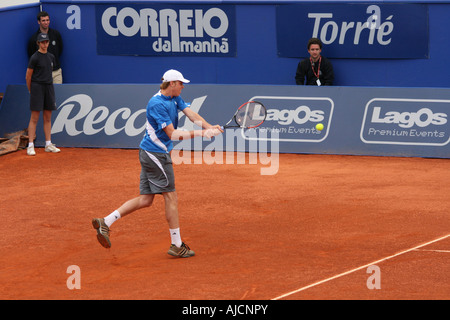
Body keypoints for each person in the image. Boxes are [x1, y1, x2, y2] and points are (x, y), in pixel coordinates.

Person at [92, 69, 223, 258]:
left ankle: (105, 221)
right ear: (172, 84)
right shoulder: (156, 104)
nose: (183, 86)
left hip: (149, 153)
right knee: (171, 196)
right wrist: (202, 134)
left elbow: (191, 114)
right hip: (155, 154)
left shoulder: (173, 98)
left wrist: (209, 127)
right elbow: (173, 134)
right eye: (180, 83)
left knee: (146, 199)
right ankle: (177, 244)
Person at [26, 33, 61, 156]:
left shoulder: (51, 57)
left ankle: (48, 144)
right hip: (37, 88)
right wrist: (31, 90)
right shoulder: (34, 57)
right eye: (42, 42)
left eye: (46, 42)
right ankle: (30, 145)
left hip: (49, 88)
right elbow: (28, 76)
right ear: (38, 43)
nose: (45, 44)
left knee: (47, 117)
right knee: (34, 118)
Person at [28, 11, 63, 84]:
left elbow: (60, 49)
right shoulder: (34, 39)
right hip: (42, 75)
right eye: (43, 20)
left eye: (47, 20)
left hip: (56, 72)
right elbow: (32, 55)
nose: (46, 22)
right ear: (39, 22)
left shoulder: (56, 34)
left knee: (58, 94)